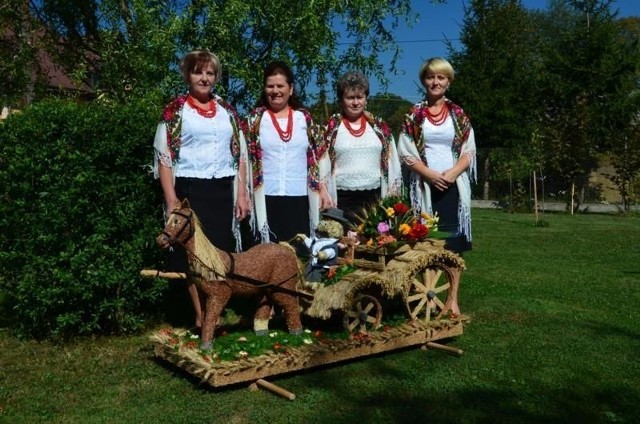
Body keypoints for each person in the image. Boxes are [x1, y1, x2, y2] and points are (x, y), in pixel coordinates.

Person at [152, 49, 251, 330]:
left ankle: (214, 313)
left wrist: (241, 194)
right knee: (193, 258)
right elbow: (164, 157)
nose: (204, 78)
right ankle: (201, 317)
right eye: (198, 72)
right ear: (187, 75)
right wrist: (171, 200)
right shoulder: (175, 111)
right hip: (190, 192)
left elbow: (239, 155)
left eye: (210, 73)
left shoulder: (228, 112)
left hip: (222, 191)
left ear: (216, 77)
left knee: (219, 254)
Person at [397, 57, 476, 316]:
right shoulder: (414, 115)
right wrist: (430, 175)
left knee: (453, 246)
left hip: (453, 187)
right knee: (426, 245)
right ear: (424, 81)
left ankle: (452, 298)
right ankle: (429, 296)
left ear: (448, 82)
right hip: (424, 190)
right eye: (431, 77)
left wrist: (452, 174)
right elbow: (406, 152)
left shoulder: (459, 115)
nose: (435, 82)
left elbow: (468, 151)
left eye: (441, 77)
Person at [245, 61, 332, 243]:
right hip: (265, 198)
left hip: (299, 198)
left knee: (298, 255)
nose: (275, 91)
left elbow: (319, 156)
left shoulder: (305, 119)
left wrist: (323, 188)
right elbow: (242, 159)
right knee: (266, 257)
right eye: (270, 86)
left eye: (280, 86)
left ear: (290, 89)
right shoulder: (254, 121)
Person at [320, 71, 402, 222]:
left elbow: (393, 162)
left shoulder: (380, 128)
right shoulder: (330, 129)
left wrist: (393, 195)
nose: (356, 102)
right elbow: (319, 165)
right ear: (340, 100)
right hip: (341, 200)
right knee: (343, 244)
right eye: (350, 98)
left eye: (360, 97)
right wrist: (323, 192)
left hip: (375, 199)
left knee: (372, 244)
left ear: (366, 99)